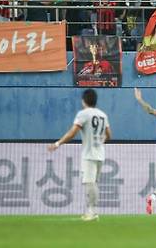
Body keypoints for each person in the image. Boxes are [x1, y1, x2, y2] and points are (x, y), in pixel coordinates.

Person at [48, 89, 111, 221]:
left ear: (84, 101)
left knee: (90, 182)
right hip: (100, 154)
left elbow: (72, 133)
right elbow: (109, 135)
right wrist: (99, 141)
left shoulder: (83, 114)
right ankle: (92, 211)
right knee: (93, 183)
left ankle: (92, 212)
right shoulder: (102, 115)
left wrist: (57, 143)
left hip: (89, 154)